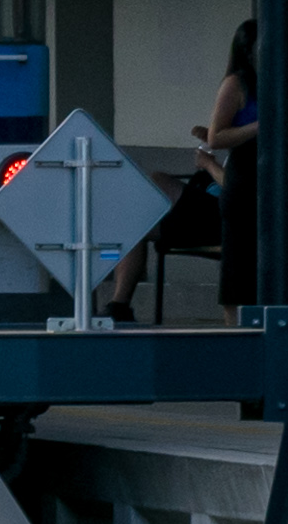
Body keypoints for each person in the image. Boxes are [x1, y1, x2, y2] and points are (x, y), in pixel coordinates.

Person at [102, 20, 259, 323]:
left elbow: (239, 189)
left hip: (226, 211)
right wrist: (215, 141)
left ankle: (119, 302)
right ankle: (119, 303)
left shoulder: (259, 122)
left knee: (145, 202)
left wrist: (209, 164)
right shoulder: (250, 126)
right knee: (141, 207)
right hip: (212, 200)